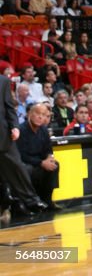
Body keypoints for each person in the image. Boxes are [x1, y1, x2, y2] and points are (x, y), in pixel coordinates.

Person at [0, 73, 48, 217]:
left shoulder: (3, 81)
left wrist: (14, 126)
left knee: (17, 166)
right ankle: (12, 202)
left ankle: (31, 200)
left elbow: (9, 107)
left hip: (2, 134)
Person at [17, 103, 60, 210]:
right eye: (37, 113)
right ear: (30, 114)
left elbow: (48, 149)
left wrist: (50, 158)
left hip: (40, 161)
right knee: (27, 169)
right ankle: (29, 203)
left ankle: (48, 200)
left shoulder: (44, 130)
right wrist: (41, 163)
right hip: (26, 162)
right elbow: (22, 155)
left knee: (55, 165)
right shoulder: (21, 130)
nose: (40, 117)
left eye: (43, 114)